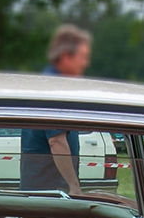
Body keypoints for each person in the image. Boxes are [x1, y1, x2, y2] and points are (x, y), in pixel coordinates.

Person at [20, 25, 91, 193]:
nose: (85, 63)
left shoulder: (51, 86)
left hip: (44, 192)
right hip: (49, 195)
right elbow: (56, 141)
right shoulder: (53, 90)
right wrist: (73, 186)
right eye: (82, 57)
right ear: (66, 57)